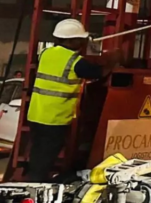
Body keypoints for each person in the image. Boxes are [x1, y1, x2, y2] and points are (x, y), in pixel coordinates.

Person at [26, 19, 121, 182]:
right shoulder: (75, 61)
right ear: (70, 40)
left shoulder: (46, 54)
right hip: (55, 119)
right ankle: (36, 186)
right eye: (79, 39)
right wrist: (113, 59)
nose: (82, 42)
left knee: (38, 152)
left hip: (36, 115)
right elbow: (99, 73)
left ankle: (35, 180)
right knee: (47, 155)